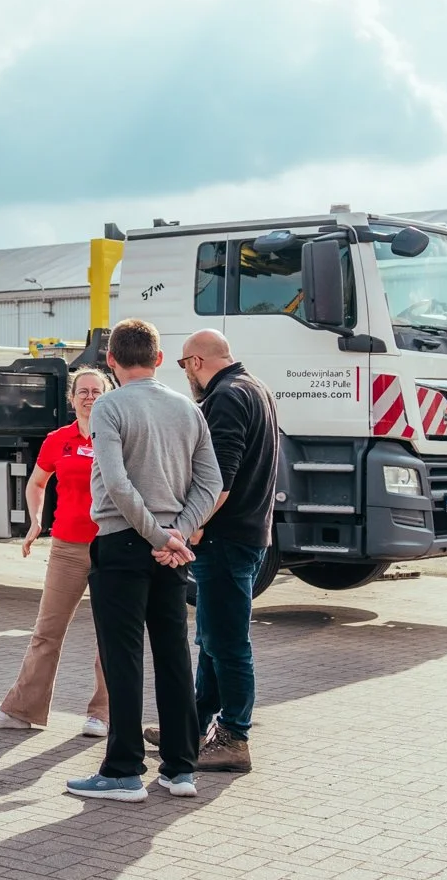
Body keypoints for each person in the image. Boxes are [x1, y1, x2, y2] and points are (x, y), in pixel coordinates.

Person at [65, 319, 221, 805]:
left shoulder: (110, 406)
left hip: (122, 543)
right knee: (174, 655)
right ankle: (180, 769)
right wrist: (177, 535)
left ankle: (123, 770)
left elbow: (115, 482)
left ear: (110, 362)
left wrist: (158, 535)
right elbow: (211, 482)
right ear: (158, 359)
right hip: (169, 554)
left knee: (123, 658)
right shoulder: (188, 409)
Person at [0, 367, 114, 738]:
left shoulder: (117, 437)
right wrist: (36, 520)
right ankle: (20, 710)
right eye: (82, 391)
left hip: (110, 547)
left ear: (107, 395)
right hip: (67, 547)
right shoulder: (58, 440)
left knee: (111, 634)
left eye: (96, 391)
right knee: (46, 632)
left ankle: (103, 714)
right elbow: (37, 483)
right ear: (71, 399)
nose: (89, 397)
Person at [177, 329, 279, 773]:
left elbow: (219, 478)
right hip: (249, 533)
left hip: (226, 537)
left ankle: (234, 735)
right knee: (213, 638)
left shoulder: (226, 397)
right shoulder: (256, 388)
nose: (185, 375)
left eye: (183, 365)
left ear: (197, 362)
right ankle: (195, 728)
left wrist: (192, 527)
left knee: (228, 642)